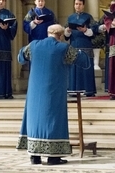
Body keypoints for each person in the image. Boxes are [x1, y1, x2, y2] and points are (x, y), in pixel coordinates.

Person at [16, 24, 90, 165]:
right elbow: (84, 61)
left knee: (35, 119)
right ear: (61, 36)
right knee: (53, 118)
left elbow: (21, 57)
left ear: (48, 33)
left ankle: (35, 156)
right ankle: (53, 157)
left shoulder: (34, 45)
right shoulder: (63, 48)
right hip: (53, 91)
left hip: (34, 92)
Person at [64, 0, 97, 97]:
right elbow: (65, 35)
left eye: (80, 4)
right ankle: (74, 90)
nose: (78, 6)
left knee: (86, 68)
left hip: (85, 45)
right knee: (74, 69)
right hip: (74, 45)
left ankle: (88, 90)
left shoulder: (88, 17)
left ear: (83, 5)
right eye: (76, 4)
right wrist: (68, 31)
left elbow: (94, 31)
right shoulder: (70, 17)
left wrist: (85, 30)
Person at [96, 0, 115, 92]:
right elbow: (97, 26)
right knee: (110, 66)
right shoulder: (106, 15)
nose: (112, 8)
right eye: (111, 6)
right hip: (110, 43)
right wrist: (105, 26)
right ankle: (109, 87)